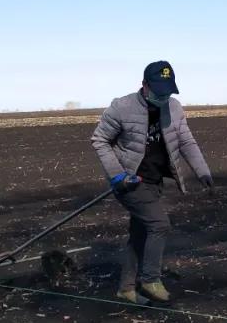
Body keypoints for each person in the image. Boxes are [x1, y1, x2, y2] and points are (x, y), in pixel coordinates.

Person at [90, 60, 213, 304]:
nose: (163, 96)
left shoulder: (174, 108)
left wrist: (202, 171)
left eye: (167, 92)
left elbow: (186, 141)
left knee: (140, 234)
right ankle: (150, 279)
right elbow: (100, 140)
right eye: (158, 91)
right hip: (129, 181)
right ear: (145, 85)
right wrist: (117, 175)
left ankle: (126, 289)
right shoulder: (122, 107)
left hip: (154, 180)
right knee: (159, 224)